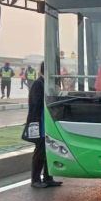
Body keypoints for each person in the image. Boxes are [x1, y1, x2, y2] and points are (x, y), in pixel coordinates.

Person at [27, 61, 62, 189]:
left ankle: (48, 178)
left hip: (48, 122)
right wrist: (51, 95)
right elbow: (37, 103)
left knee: (49, 150)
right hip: (39, 122)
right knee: (40, 151)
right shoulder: (38, 84)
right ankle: (35, 179)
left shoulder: (48, 84)